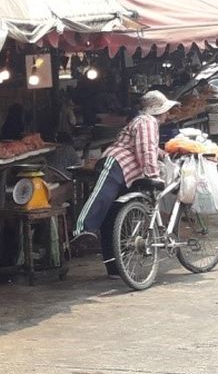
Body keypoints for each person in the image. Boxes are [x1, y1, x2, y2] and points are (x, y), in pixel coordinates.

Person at [73, 90, 176, 277]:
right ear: (158, 111)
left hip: (128, 174)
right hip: (116, 164)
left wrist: (164, 154)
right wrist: (153, 175)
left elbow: (149, 149)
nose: (168, 115)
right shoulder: (146, 121)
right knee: (101, 197)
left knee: (113, 219)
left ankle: (115, 268)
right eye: (166, 111)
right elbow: (145, 150)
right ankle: (82, 230)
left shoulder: (145, 123)